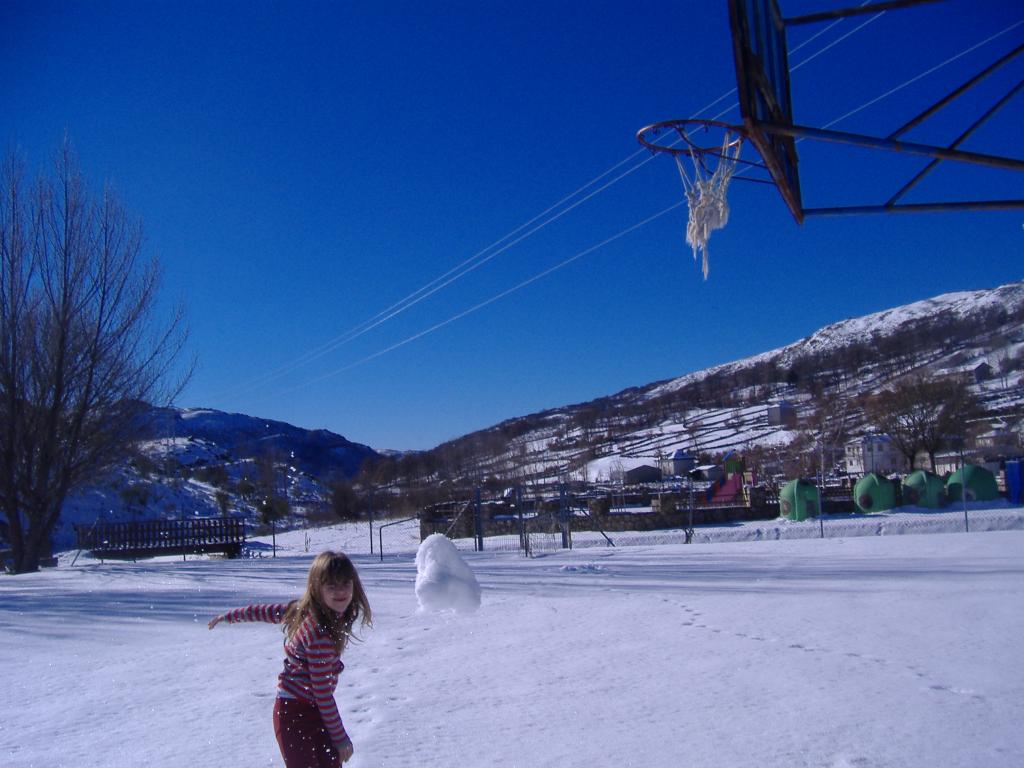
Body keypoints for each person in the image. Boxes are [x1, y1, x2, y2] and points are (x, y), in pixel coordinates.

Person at [209, 551, 372, 767]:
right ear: (317, 588)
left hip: (315, 711)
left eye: (345, 583)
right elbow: (323, 693)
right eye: (331, 586)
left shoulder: (307, 611)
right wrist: (340, 738)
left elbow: (267, 611)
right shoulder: (319, 634)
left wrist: (229, 616)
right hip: (293, 715)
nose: (340, 591)